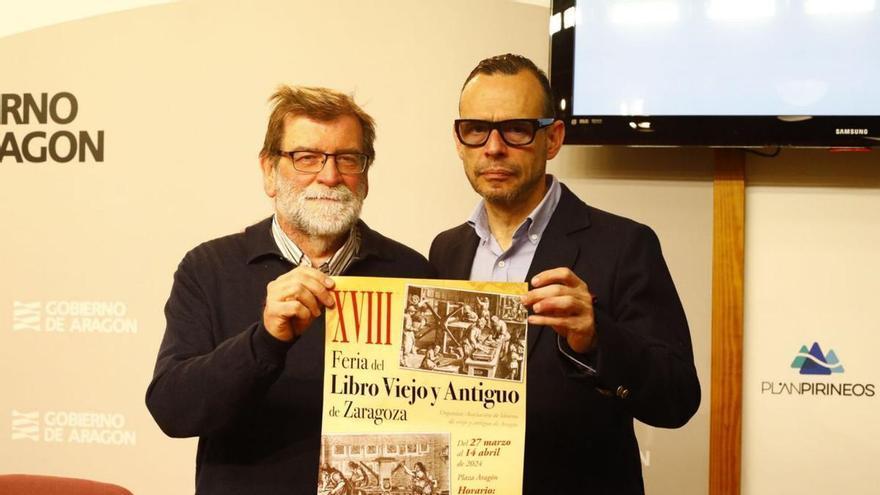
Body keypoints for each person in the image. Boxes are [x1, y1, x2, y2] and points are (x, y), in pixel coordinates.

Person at [429, 54, 701, 494]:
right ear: (459, 141)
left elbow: (678, 400)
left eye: (516, 129)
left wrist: (597, 339)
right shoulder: (446, 251)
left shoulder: (624, 244)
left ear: (552, 138)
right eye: (476, 129)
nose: (493, 147)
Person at [145, 85, 433, 494]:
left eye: (347, 158)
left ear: (365, 175)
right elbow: (172, 410)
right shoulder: (207, 268)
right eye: (306, 157)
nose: (329, 175)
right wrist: (264, 341)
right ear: (269, 171)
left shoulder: (412, 273)